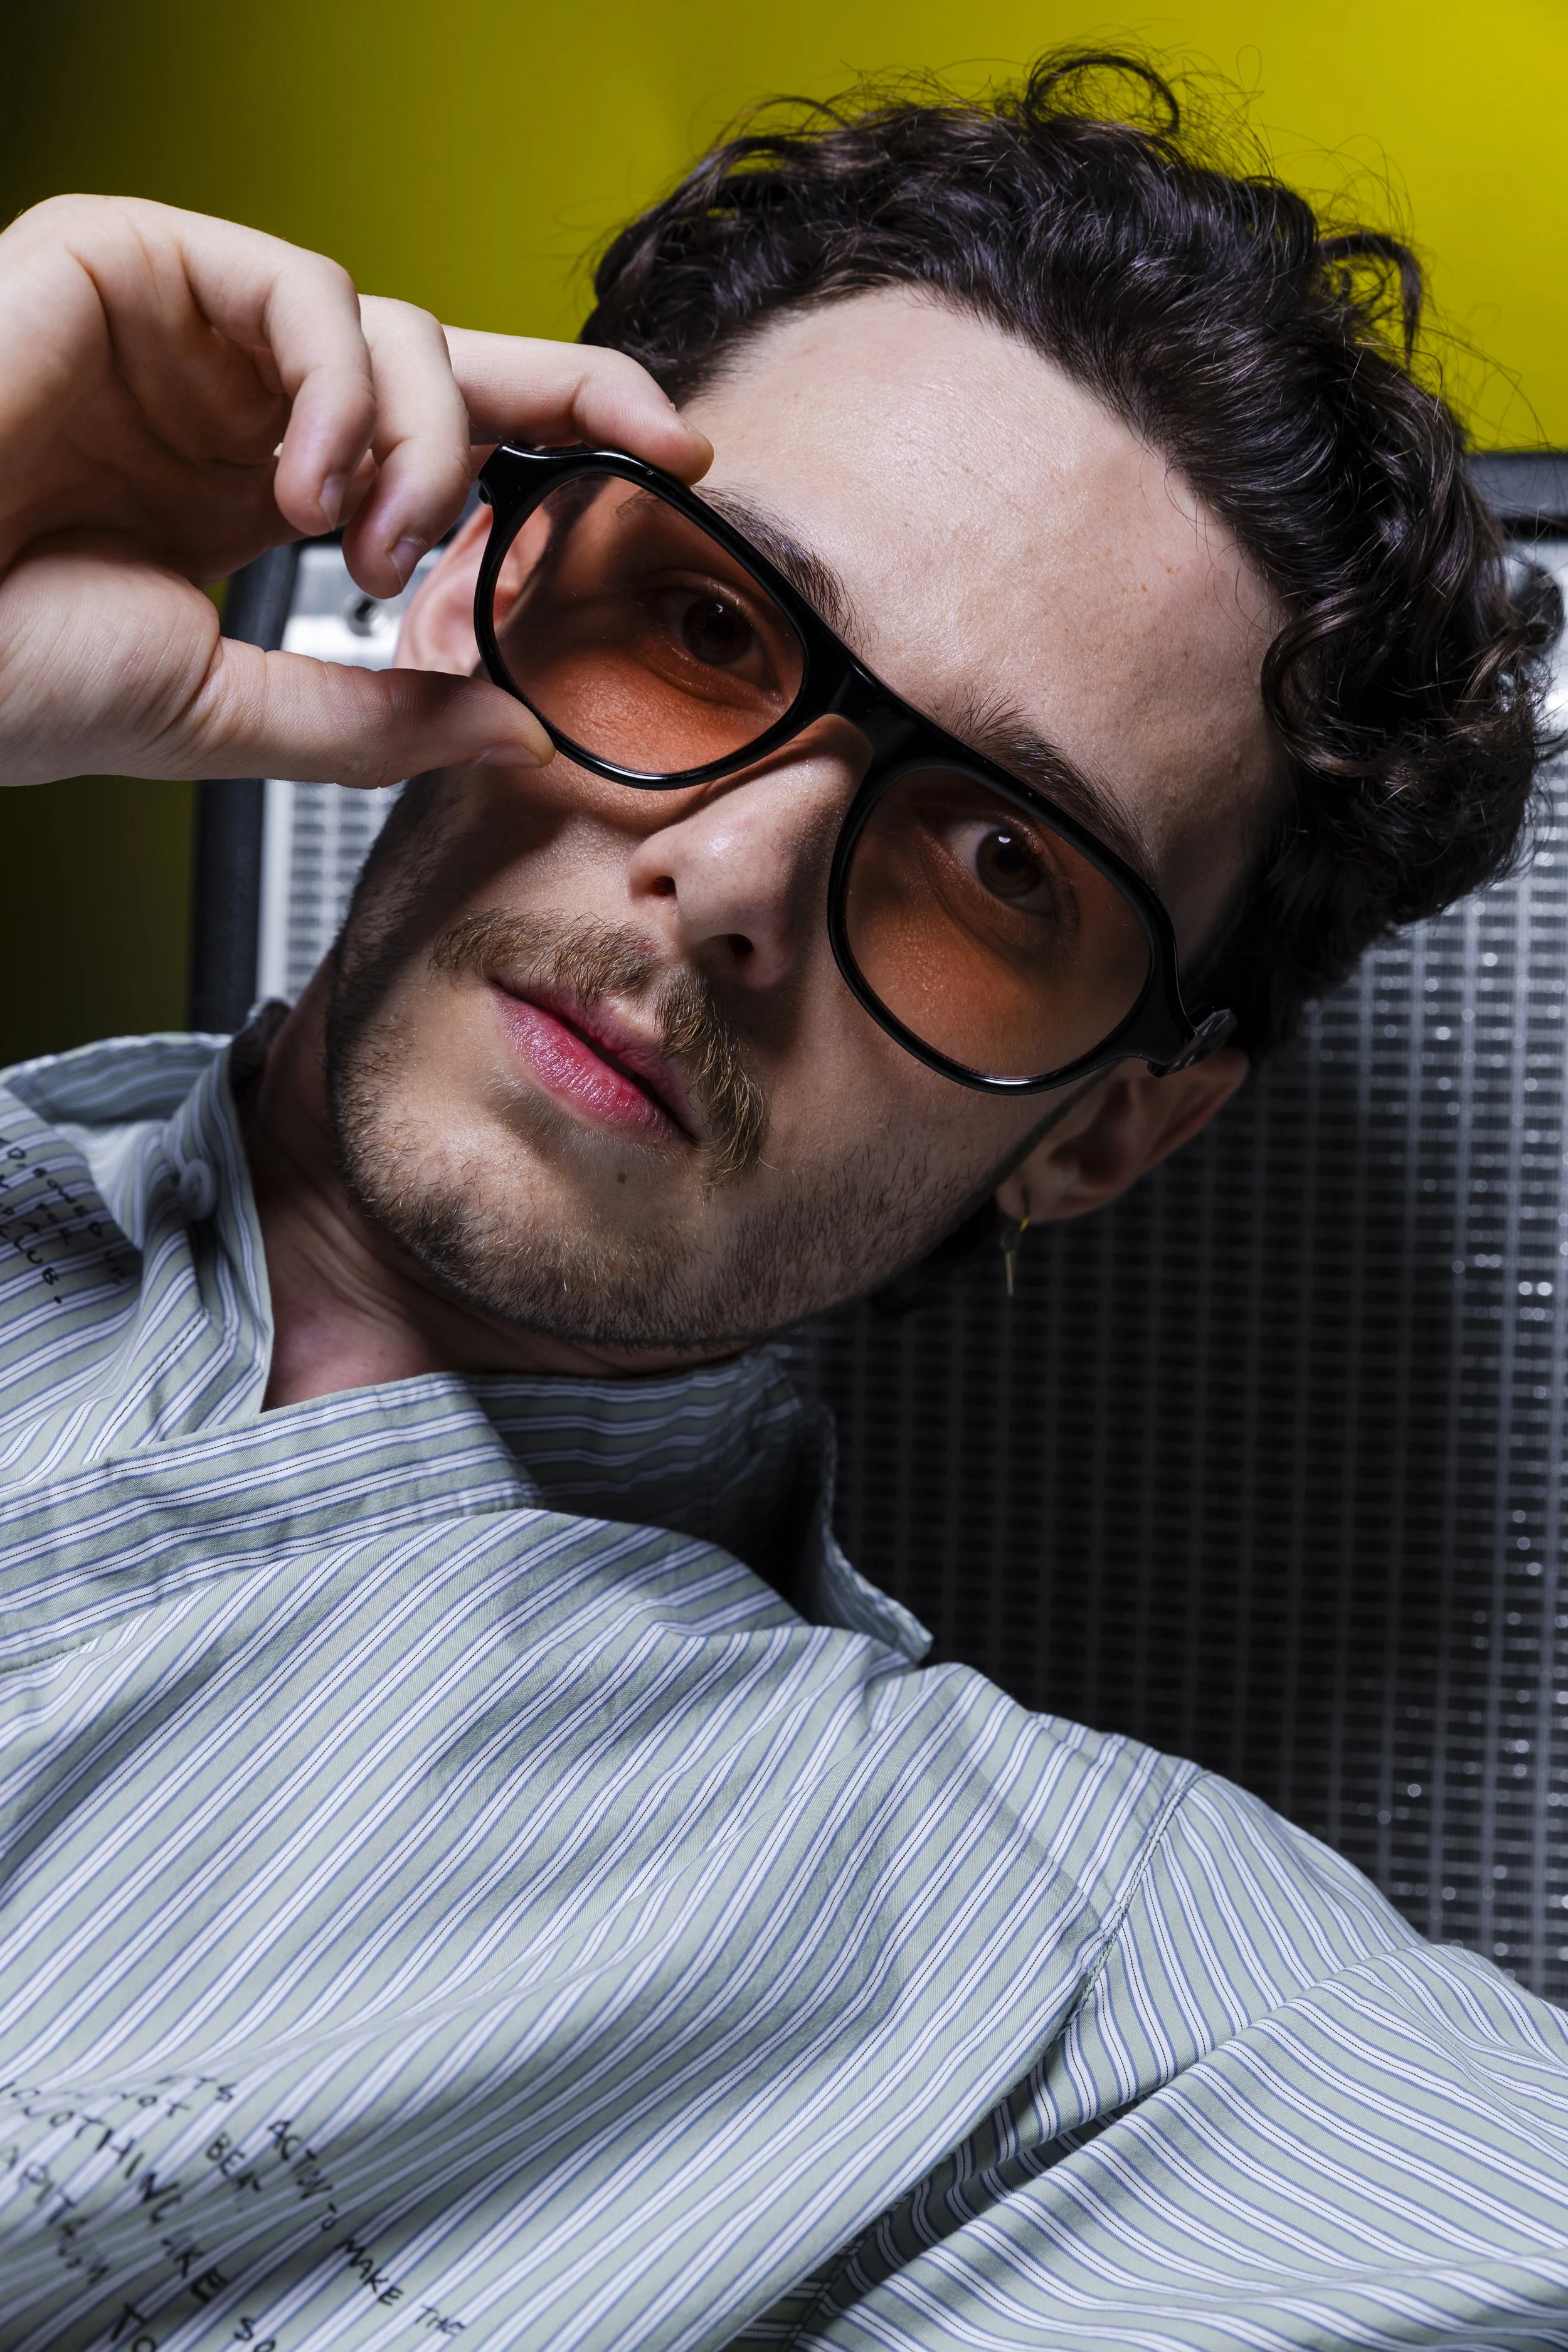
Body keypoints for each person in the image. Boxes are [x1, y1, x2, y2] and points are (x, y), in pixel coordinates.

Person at [1, 54, 1564, 2351]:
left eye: (997, 857)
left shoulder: (1040, 1975)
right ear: (469, 583)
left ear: (1102, 1129)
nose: (733, 875)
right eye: (709, 628)